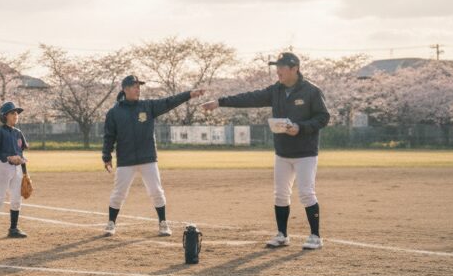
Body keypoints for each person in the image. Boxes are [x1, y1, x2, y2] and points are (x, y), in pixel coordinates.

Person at [203, 52, 330, 249]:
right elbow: (250, 98)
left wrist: (301, 127)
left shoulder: (311, 91)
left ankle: (315, 236)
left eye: (282, 66)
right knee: (280, 194)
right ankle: (282, 235)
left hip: (305, 152)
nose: (278, 71)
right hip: (282, 152)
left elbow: (323, 117)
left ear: (294, 68)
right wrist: (220, 102)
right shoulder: (276, 90)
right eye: (276, 66)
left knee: (306, 193)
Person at [101, 75, 205, 237]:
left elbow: (169, 101)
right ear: (125, 89)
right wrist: (106, 156)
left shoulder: (148, 106)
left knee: (156, 191)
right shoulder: (114, 112)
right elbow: (109, 136)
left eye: (139, 86)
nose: (138, 89)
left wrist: (189, 94)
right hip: (126, 160)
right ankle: (111, 223)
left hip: (147, 158)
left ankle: (163, 223)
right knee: (119, 193)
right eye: (135, 86)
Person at [0, 101, 28, 240]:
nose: (16, 116)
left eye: (17, 113)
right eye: (13, 113)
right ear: (5, 116)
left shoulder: (18, 133)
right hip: (3, 167)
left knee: (16, 198)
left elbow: (21, 154)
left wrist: (25, 173)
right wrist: (8, 157)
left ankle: (13, 229)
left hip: (18, 168)